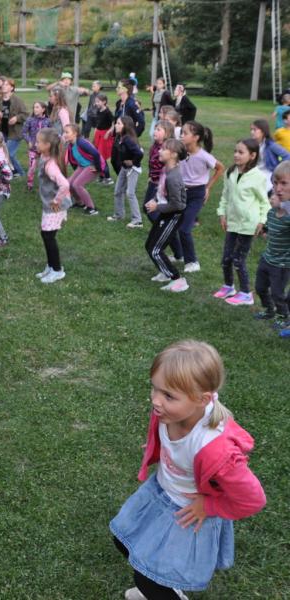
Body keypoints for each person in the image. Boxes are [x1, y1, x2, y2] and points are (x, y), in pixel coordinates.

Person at [111, 340, 266, 600]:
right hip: (160, 492)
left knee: (148, 579)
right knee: (124, 541)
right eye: (155, 388)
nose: (155, 400)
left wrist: (209, 506)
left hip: (187, 513)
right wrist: (158, 447)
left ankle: (161, 591)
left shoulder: (215, 450)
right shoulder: (169, 413)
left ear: (202, 399)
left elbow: (253, 500)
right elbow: (173, 442)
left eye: (168, 396)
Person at [213, 139, 268, 306]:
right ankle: (228, 286)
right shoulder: (230, 172)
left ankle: (245, 293)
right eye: (235, 151)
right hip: (232, 222)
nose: (236, 155)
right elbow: (225, 195)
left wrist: (262, 221)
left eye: (241, 152)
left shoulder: (258, 177)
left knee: (238, 259)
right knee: (226, 258)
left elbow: (264, 202)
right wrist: (222, 213)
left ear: (252, 155)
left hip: (248, 224)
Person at [171, 121, 225, 273]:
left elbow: (220, 168)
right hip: (180, 192)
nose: (181, 135)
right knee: (172, 225)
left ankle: (192, 262)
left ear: (195, 137)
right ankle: (179, 255)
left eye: (185, 133)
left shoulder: (204, 156)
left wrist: (208, 187)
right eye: (181, 132)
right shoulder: (181, 151)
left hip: (196, 195)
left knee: (184, 229)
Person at [144, 138, 189, 293]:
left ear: (174, 155)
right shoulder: (166, 170)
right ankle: (165, 272)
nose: (160, 151)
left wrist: (157, 206)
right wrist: (155, 199)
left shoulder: (173, 177)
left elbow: (178, 205)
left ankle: (177, 279)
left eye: (164, 149)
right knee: (150, 245)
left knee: (155, 250)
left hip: (173, 216)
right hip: (166, 213)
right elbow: (163, 192)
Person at [254, 161, 290, 330]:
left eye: (284, 183)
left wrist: (281, 205)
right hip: (267, 258)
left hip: (282, 264)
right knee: (260, 288)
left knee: (277, 293)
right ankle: (269, 310)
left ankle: (283, 316)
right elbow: (270, 228)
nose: (278, 188)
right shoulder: (272, 210)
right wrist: (264, 231)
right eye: (275, 183)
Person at [35, 127, 71, 284]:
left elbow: (65, 184)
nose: (36, 144)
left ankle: (57, 270)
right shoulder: (46, 156)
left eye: (38, 142)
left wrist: (56, 201)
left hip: (55, 206)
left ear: (48, 145)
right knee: (46, 235)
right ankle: (50, 266)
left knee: (49, 236)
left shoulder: (50, 165)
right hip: (50, 205)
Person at [108, 116, 144, 228]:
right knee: (118, 191)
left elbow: (139, 153)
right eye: (116, 123)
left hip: (133, 169)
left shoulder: (128, 139)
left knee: (130, 193)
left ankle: (137, 221)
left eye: (118, 123)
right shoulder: (120, 137)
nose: (116, 125)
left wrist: (133, 162)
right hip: (124, 168)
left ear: (125, 126)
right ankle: (119, 215)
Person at [63, 123, 105, 216]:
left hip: (92, 165)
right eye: (64, 132)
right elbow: (72, 159)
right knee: (68, 183)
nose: (64, 134)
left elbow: (96, 154)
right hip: (82, 166)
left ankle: (92, 208)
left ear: (75, 133)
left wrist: (97, 168)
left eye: (67, 132)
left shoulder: (82, 142)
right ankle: (80, 203)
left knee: (77, 184)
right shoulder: (70, 144)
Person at [0, 78, 28, 178]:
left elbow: (25, 114)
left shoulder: (17, 100)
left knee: (9, 154)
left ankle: (21, 173)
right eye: (3, 84)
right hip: (2, 131)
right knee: (5, 153)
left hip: (15, 132)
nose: (4, 86)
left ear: (12, 88)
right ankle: (11, 171)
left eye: (7, 85)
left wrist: (16, 118)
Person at [143, 120, 175, 225]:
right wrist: (150, 177)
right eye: (155, 129)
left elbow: (169, 168)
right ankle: (161, 227)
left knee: (152, 210)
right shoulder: (154, 146)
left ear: (167, 134)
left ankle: (163, 228)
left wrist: (163, 184)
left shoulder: (167, 150)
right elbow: (151, 164)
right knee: (146, 208)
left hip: (161, 185)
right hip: (153, 182)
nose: (155, 131)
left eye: (158, 129)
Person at [250, 119, 290, 193]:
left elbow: (287, 156)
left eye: (255, 130)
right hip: (254, 170)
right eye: (251, 129)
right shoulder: (252, 144)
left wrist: (279, 168)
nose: (252, 132)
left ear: (263, 131)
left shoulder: (271, 145)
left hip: (268, 172)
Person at [21, 101, 51, 192]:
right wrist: (29, 141)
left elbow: (51, 133)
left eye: (37, 107)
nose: (35, 109)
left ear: (43, 109)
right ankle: (29, 184)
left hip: (45, 149)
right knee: (32, 167)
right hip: (33, 148)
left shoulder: (48, 121)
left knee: (45, 168)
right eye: (34, 107)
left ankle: (45, 184)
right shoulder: (30, 120)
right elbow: (24, 132)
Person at [93, 93, 115, 184]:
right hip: (98, 134)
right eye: (96, 101)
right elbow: (98, 122)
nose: (96, 103)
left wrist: (108, 132)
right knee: (97, 156)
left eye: (98, 102)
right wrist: (96, 129)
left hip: (105, 136)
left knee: (102, 157)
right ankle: (101, 176)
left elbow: (114, 124)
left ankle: (108, 178)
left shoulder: (108, 112)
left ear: (104, 102)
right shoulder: (98, 111)